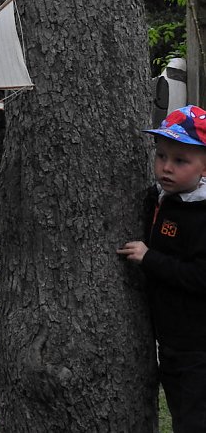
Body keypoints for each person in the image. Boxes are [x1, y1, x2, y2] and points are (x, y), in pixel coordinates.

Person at [117, 105, 206, 432]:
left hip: (197, 348)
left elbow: (200, 276)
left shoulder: (201, 214)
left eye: (180, 160)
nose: (166, 167)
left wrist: (149, 258)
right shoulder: (161, 198)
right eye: (161, 156)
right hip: (170, 343)